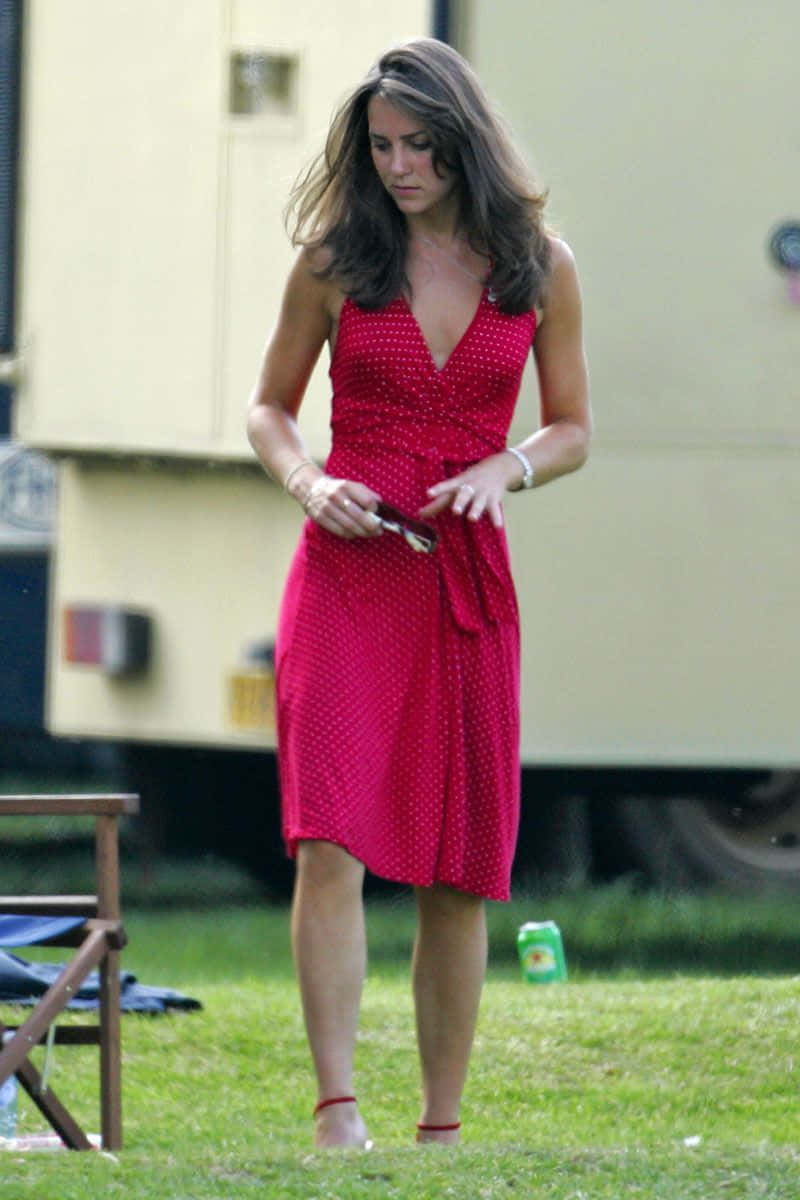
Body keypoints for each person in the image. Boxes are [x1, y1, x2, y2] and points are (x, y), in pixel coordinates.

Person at [247, 36, 591, 1149]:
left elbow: (573, 426)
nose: (398, 168)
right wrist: (308, 480)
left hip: (465, 578)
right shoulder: (336, 261)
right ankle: (337, 1108)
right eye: (382, 148)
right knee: (329, 838)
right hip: (350, 568)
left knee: (459, 861)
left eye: (420, 148)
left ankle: (440, 1127)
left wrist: (510, 464)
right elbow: (269, 409)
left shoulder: (537, 265)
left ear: (464, 144)